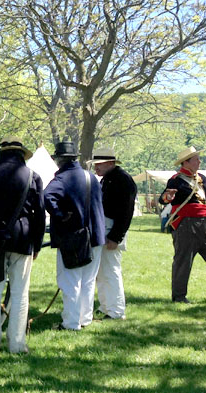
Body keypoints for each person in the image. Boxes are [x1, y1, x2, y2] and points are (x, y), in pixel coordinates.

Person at [0, 137, 45, 353]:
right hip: (22, 237)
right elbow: (39, 214)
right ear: (21, 155)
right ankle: (16, 343)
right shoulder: (33, 176)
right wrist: (37, 245)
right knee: (20, 293)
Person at [44, 141, 105, 330]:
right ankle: (84, 318)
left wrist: (60, 215)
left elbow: (47, 196)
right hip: (95, 235)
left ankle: (71, 323)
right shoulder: (91, 177)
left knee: (70, 281)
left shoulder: (62, 179)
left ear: (59, 160)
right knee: (88, 281)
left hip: (73, 236)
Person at [88, 147, 137, 320]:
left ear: (110, 163)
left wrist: (116, 237)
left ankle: (116, 311)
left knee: (110, 271)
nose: (96, 167)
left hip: (112, 229)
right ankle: (106, 306)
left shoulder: (122, 179)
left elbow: (126, 212)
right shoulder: (108, 179)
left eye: (99, 164)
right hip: (105, 227)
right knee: (102, 272)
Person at [159, 146, 206, 303]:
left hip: (205, 223)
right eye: (196, 159)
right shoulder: (176, 180)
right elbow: (163, 199)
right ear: (186, 162)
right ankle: (179, 297)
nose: (199, 161)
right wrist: (168, 197)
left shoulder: (202, 178)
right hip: (186, 225)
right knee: (183, 261)